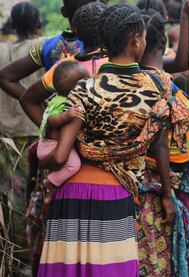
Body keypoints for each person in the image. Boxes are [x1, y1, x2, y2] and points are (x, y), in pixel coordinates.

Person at [36, 4, 189, 276]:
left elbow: (62, 153)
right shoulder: (158, 87)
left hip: (70, 194)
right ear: (136, 41)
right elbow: (165, 140)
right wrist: (167, 195)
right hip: (114, 194)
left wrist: (41, 159)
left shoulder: (85, 87)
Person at [20, 2, 108, 275]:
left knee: (64, 254)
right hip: (101, 175)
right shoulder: (113, 68)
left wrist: (53, 131)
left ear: (76, 32)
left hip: (66, 174)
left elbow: (28, 98)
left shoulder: (65, 67)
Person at [137, 4, 189, 276]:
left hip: (168, 181)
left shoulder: (161, 77)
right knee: (155, 256)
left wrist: (184, 16)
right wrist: (167, 192)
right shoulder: (147, 83)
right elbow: (159, 143)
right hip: (156, 183)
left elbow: (181, 62)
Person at [0, 2, 43, 274]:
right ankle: (34, 252)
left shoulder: (2, 50)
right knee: (37, 196)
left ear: (13, 25)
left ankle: (13, 255)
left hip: (7, 136)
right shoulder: (43, 48)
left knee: (10, 196)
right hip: (38, 133)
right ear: (38, 25)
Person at [0, 0, 104, 101]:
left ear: (63, 12)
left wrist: (43, 106)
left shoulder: (47, 46)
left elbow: (5, 76)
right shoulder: (108, 44)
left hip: (61, 115)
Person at [37, 61, 89, 203]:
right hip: (51, 146)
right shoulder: (65, 103)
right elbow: (51, 120)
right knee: (73, 165)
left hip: (47, 145)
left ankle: (49, 194)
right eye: (85, 83)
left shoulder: (56, 98)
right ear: (76, 89)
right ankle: (50, 183)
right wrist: (66, 115)